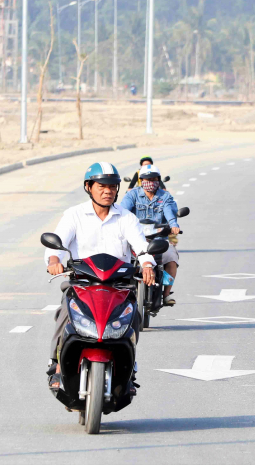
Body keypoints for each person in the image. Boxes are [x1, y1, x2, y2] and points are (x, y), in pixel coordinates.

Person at [44, 162, 156, 390]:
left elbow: (142, 246)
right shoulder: (74, 215)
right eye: (101, 186)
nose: (108, 191)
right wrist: (54, 260)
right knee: (65, 313)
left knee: (132, 316)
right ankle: (56, 366)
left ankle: (129, 367)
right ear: (88, 187)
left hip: (119, 286)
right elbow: (56, 244)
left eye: (113, 187)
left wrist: (146, 264)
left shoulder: (126, 218)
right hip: (82, 283)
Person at [120, 164, 181, 306]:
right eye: (146, 179)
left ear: (158, 180)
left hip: (159, 240)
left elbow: (169, 213)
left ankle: (166, 294)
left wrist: (173, 225)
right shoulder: (132, 195)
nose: (150, 182)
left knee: (171, 259)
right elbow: (123, 213)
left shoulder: (165, 197)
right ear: (141, 180)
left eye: (153, 179)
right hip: (135, 240)